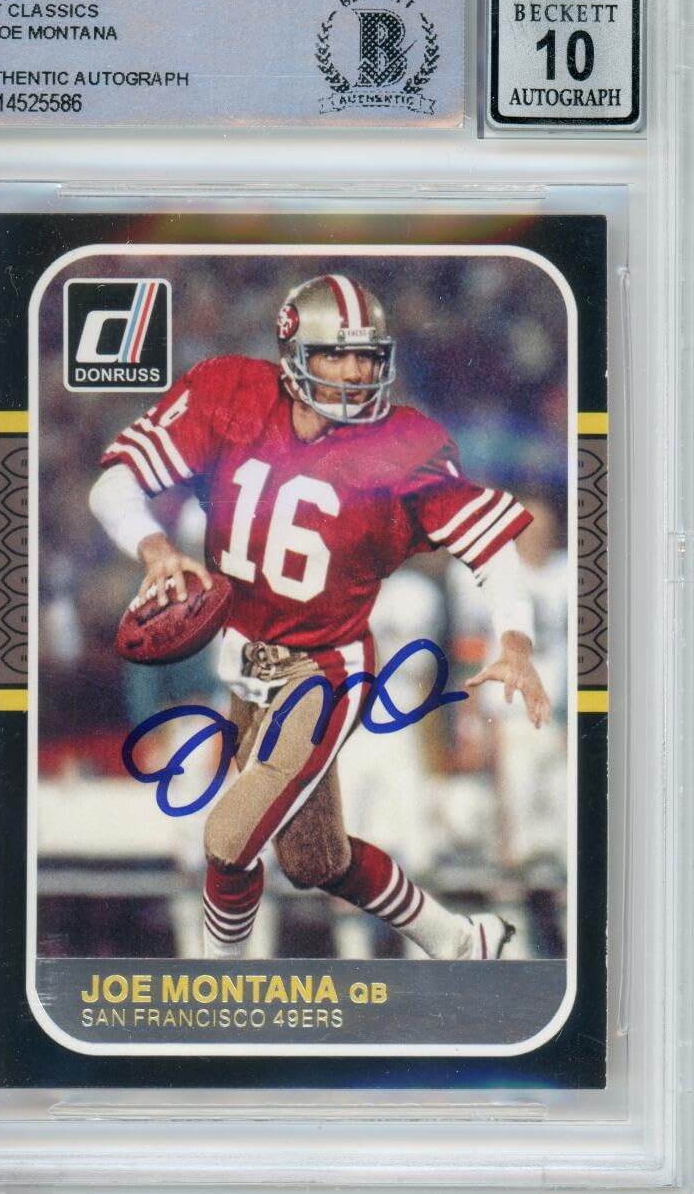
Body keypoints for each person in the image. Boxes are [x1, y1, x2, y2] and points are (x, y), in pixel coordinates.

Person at [89, 273, 551, 961]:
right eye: (337, 353)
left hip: (326, 667)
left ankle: (222, 987)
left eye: (368, 355)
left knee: (229, 836)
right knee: (315, 858)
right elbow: (113, 485)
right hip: (244, 662)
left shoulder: (402, 444)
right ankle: (458, 937)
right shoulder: (229, 392)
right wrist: (154, 548)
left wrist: (515, 639)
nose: (357, 371)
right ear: (292, 352)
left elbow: (491, 547)